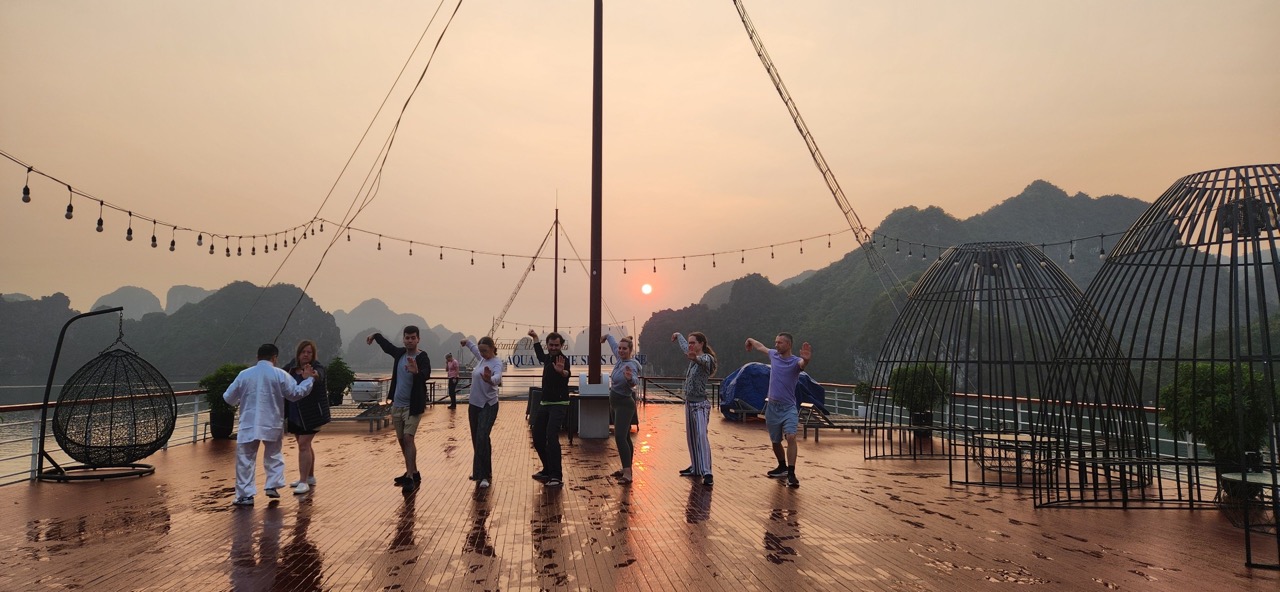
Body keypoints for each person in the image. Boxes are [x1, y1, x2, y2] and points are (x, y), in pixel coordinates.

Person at [223, 343, 317, 506]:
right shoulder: (280, 374)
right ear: (274, 358)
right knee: (273, 454)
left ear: (257, 357)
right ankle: (272, 485)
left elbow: (228, 398)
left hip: (249, 423)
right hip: (272, 422)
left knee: (245, 458)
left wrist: (242, 399)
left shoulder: (244, 374)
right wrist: (308, 380)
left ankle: (245, 496)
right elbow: (295, 393)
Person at [367, 326, 431, 490]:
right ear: (403, 339)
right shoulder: (400, 354)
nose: (410, 340)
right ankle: (413, 471)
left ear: (418, 339)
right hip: (397, 405)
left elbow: (426, 373)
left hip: (413, 406)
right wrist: (376, 335)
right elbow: (387, 346)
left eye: (413, 338)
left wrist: (416, 372)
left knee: (409, 438)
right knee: (402, 440)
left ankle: (409, 476)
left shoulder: (422, 357)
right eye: (407, 338)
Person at [746, 333, 812, 488]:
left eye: (780, 343)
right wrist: (750, 340)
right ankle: (782, 466)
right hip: (772, 407)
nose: (776, 345)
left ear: (788, 344)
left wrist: (807, 360)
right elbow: (761, 346)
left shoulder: (795, 362)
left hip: (788, 407)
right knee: (775, 441)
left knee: (791, 436)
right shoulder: (773, 355)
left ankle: (791, 473)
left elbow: (802, 364)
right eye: (776, 342)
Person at [282, 340, 329, 494]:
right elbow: (279, 376)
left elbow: (320, 375)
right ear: (298, 353)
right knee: (305, 445)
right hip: (295, 414)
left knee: (303, 445)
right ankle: (310, 477)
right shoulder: (290, 368)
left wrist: (313, 376)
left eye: (309, 352)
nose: (306, 355)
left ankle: (303, 481)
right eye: (303, 352)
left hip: (312, 414)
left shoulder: (317, 367)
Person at [672, 331, 717, 487]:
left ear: (701, 344)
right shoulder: (691, 352)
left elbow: (703, 361)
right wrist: (678, 335)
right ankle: (696, 468)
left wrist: (695, 358)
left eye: (693, 343)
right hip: (689, 403)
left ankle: (707, 472)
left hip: (700, 405)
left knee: (701, 436)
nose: (690, 345)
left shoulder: (707, 358)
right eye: (689, 342)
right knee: (691, 437)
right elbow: (685, 346)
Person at [529, 329, 571, 487]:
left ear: (561, 346)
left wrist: (562, 372)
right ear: (547, 345)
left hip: (559, 404)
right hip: (545, 403)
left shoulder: (563, 359)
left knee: (551, 436)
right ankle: (547, 469)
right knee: (537, 436)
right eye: (551, 345)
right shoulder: (547, 358)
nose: (553, 348)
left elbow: (567, 373)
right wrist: (535, 338)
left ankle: (556, 476)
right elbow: (539, 354)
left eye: (556, 345)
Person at [462, 337, 503, 488]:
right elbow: (474, 349)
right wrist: (467, 342)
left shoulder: (497, 362)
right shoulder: (481, 359)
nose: (482, 353)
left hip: (488, 404)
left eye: (485, 351)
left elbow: (498, 377)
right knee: (477, 438)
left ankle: (484, 475)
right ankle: (480, 471)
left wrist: (490, 379)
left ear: (492, 348)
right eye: (481, 351)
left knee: (482, 436)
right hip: (474, 404)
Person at [602, 334, 641, 484]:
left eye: (624, 348)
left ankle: (628, 473)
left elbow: (634, 381)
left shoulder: (630, 365)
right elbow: (613, 345)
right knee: (625, 437)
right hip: (615, 404)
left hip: (624, 404)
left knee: (619, 437)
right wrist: (607, 336)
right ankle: (626, 467)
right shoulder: (620, 360)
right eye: (620, 348)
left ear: (630, 350)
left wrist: (630, 379)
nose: (621, 350)